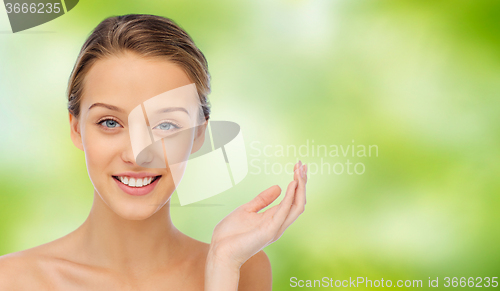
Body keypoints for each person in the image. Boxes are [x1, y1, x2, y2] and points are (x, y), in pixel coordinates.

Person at [0, 14, 308, 290]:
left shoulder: (242, 268)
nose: (137, 156)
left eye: (166, 125)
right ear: (76, 128)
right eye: (110, 122)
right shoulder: (11, 279)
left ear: (199, 133)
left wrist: (221, 268)